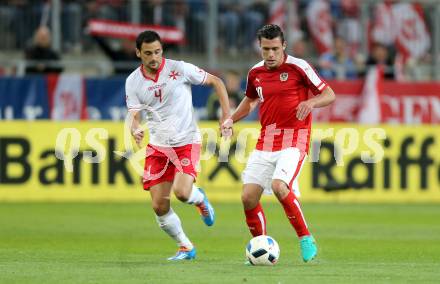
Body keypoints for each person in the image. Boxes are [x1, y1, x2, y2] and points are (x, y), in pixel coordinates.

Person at [227, 24, 335, 263]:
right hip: (266, 140)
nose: (271, 54)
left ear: (283, 46)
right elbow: (250, 101)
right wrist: (230, 119)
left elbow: (329, 94)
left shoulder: (299, 67)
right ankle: (259, 246)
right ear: (260, 47)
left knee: (279, 186)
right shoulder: (255, 72)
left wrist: (311, 103)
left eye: (275, 48)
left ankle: (306, 238)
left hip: (295, 138)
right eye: (266, 49)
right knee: (248, 197)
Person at [125, 30, 232, 261]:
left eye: (157, 52)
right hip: (158, 146)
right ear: (138, 53)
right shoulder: (132, 82)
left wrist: (226, 115)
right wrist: (135, 127)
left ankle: (200, 199)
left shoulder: (179, 69)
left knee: (182, 193)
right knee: (159, 206)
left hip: (186, 141)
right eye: (148, 53)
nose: (154, 57)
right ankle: (185, 247)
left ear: (162, 49)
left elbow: (217, 82)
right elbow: (134, 114)